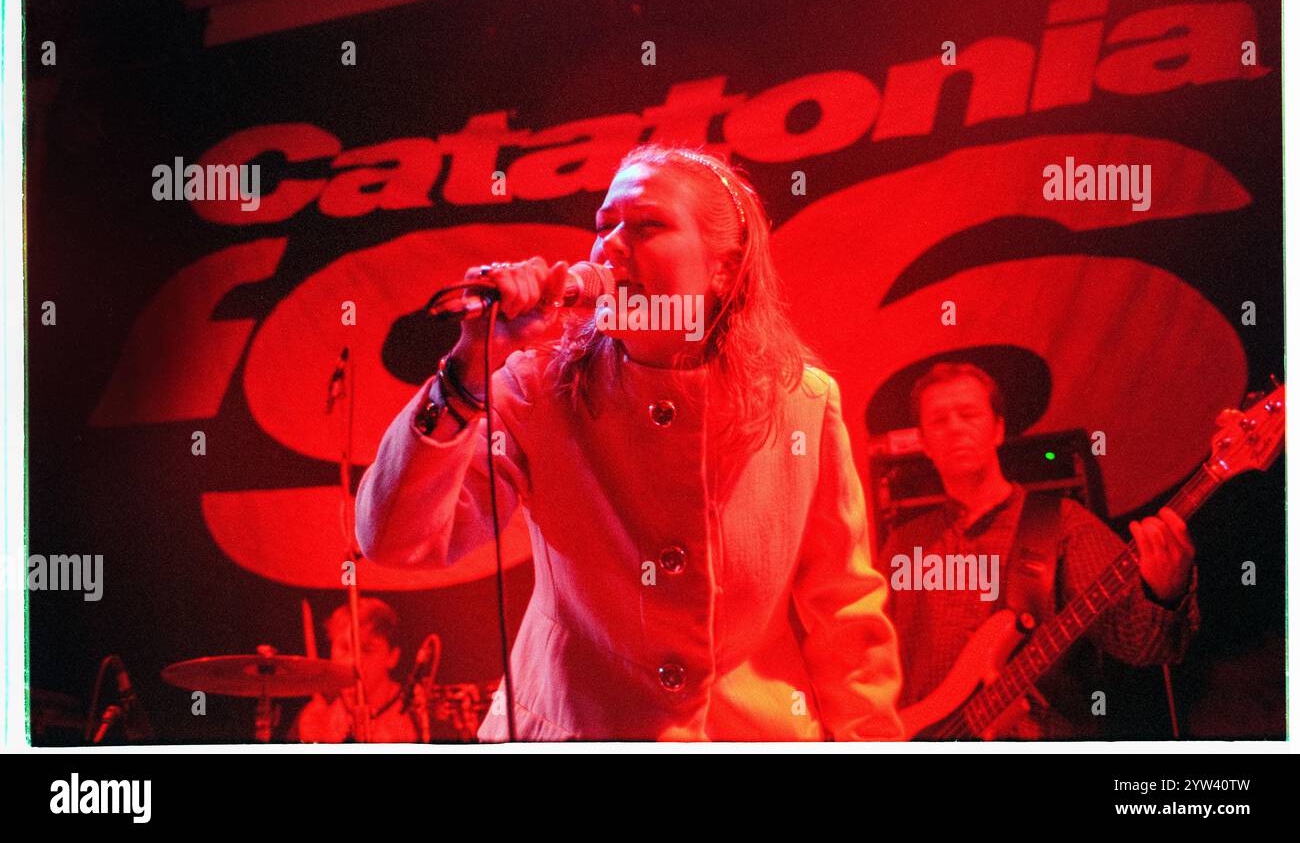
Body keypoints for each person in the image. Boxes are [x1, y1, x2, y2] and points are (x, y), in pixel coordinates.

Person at [356, 144, 903, 741]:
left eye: (646, 225)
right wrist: (465, 370)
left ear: (723, 266)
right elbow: (394, 540)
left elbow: (844, 609)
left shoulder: (802, 402)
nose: (609, 245)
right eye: (603, 226)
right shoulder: (536, 389)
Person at [882, 362, 1200, 738]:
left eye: (968, 414)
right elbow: (870, 661)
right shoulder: (904, 543)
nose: (955, 428)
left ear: (998, 429)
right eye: (938, 420)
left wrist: (1164, 594)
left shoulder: (1060, 524)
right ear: (923, 443)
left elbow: (1144, 646)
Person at [293, 598, 418, 743]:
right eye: (344, 648)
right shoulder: (316, 716)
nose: (352, 661)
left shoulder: (416, 713)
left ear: (393, 657)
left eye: (366, 649)